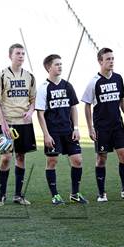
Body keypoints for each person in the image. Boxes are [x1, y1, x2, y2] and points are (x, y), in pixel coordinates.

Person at [82, 48, 124, 202]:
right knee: (101, 159)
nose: (111, 61)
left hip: (117, 125)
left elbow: (121, 100)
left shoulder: (118, 78)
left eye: (112, 58)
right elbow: (86, 105)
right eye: (108, 59)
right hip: (101, 127)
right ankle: (101, 193)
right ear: (100, 61)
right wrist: (90, 127)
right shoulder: (94, 82)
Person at [36, 54, 87, 205]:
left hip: (68, 130)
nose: (60, 66)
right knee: (52, 161)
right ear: (48, 68)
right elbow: (40, 113)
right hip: (53, 132)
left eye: (61, 64)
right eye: (57, 64)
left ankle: (75, 193)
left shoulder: (67, 85)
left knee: (77, 160)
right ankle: (55, 195)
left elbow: (73, 108)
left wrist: (76, 128)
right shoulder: (43, 88)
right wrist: (46, 134)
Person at [0, 43, 36, 206]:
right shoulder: (1, 75)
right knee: (5, 158)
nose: (21, 56)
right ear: (10, 56)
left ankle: (18, 195)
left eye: (23, 53)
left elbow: (33, 99)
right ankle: (1, 195)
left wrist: (31, 112)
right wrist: (2, 123)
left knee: (21, 156)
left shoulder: (30, 76)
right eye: (18, 53)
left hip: (24, 123)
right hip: (7, 123)